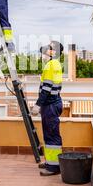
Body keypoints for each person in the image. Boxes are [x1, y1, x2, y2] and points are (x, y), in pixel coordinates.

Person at [31, 41, 64, 176]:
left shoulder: (51, 65)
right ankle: (51, 162)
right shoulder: (53, 63)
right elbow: (41, 49)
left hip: (50, 104)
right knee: (49, 134)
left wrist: (38, 104)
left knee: (51, 135)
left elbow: (46, 88)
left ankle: (54, 167)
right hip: (52, 103)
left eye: (50, 48)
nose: (47, 49)